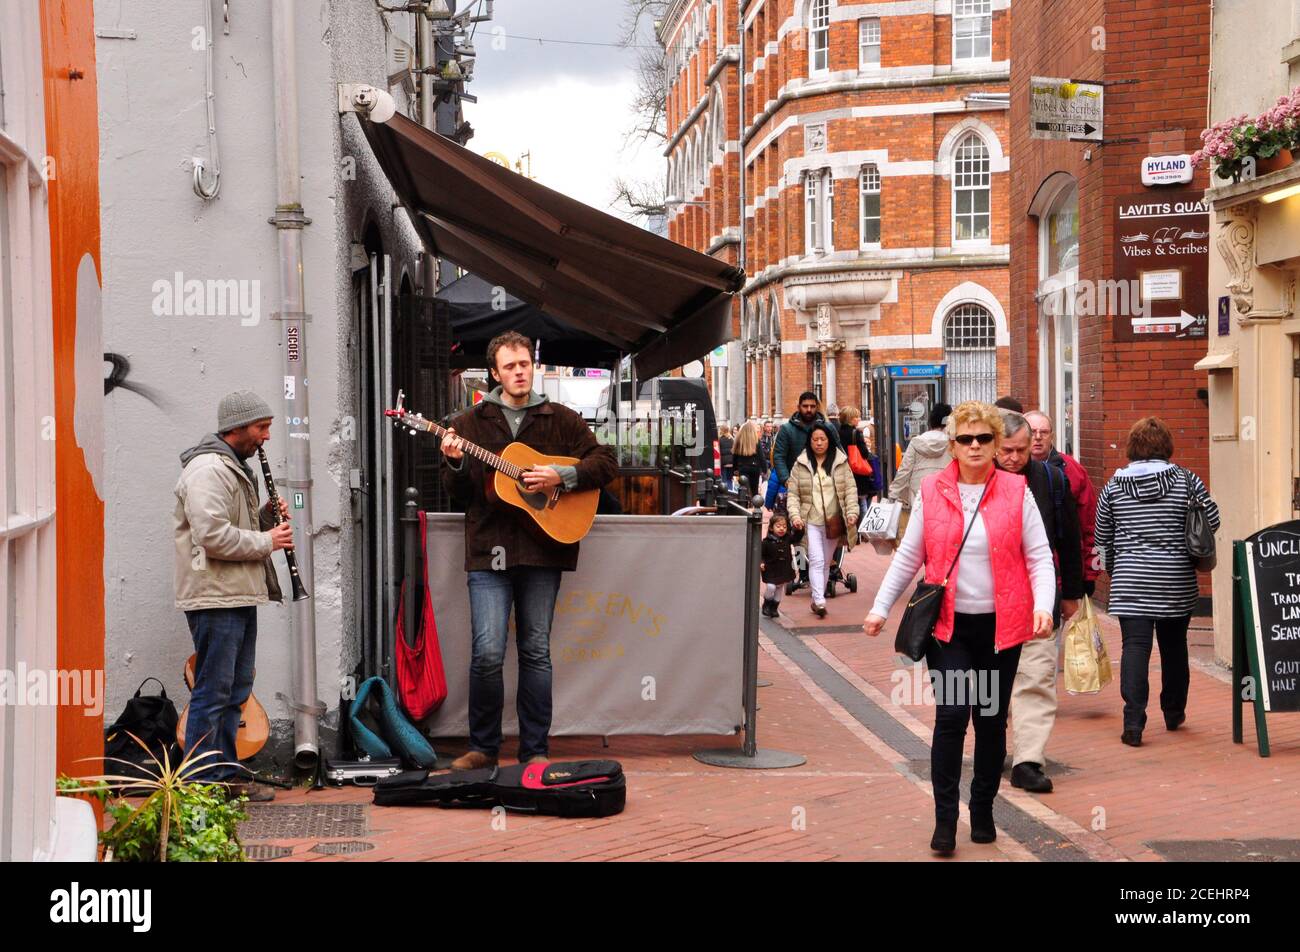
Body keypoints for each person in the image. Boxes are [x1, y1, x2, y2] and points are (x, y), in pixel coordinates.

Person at [863, 402, 1055, 854]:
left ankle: (983, 806)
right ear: (951, 445)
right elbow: (910, 556)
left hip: (1000, 628)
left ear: (994, 445)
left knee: (990, 722)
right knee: (951, 718)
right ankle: (945, 819)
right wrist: (879, 607)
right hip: (948, 629)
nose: (973, 446)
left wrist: (1043, 606)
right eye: (965, 439)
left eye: (983, 439)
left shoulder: (1015, 491)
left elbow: (1039, 556)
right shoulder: (933, 489)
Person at [440, 331, 618, 769]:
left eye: (524, 364)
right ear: (495, 373)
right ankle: (483, 748)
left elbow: (607, 462)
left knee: (536, 650)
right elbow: (458, 495)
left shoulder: (560, 418)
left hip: (543, 550)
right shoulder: (468, 423)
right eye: (510, 366)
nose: (519, 372)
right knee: (486, 651)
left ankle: (535, 751)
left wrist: (562, 477)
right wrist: (455, 461)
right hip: (488, 550)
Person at [174, 390, 294, 802]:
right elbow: (210, 536)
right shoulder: (209, 469)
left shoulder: (232, 466)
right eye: (261, 428)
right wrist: (268, 539)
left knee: (236, 687)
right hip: (215, 595)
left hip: (236, 593)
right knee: (214, 689)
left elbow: (233, 526)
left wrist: (264, 519)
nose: (265, 437)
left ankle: (223, 774)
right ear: (238, 427)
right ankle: (201, 784)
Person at [1093, 417, 1220, 747]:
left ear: (1132, 447)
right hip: (1175, 577)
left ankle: (1133, 721)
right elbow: (1212, 519)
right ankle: (1173, 710)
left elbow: (1101, 537)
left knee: (1135, 647)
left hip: (1130, 580)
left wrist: (1111, 569)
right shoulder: (1186, 481)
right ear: (1167, 446)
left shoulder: (1113, 487)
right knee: (1174, 646)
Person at [996, 412, 1084, 794]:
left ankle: (1028, 760)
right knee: (992, 681)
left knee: (1036, 677)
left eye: (1020, 450)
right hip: (988, 600)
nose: (1014, 458)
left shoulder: (1051, 480)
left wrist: (1071, 595)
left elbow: (1068, 539)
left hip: (1038, 597)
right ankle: (992, 745)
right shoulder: (976, 480)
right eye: (1007, 451)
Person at [785, 421, 859, 618]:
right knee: (816, 560)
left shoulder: (840, 463)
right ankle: (819, 600)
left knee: (826, 562)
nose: (819, 443)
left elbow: (850, 491)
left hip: (833, 521)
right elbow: (793, 494)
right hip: (810, 520)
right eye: (815, 439)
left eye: (822, 439)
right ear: (809, 442)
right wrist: (795, 516)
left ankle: (817, 598)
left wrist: (852, 512)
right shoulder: (801, 464)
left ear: (829, 441)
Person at [1026, 411, 1099, 596]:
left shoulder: (1073, 471)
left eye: (1044, 432)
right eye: (1032, 431)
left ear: (1052, 435)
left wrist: (1091, 573)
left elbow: (1092, 525)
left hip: (1060, 575)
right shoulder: (1007, 468)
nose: (1037, 437)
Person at [767, 392, 843, 510]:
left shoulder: (828, 428)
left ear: (817, 407)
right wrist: (786, 479)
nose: (809, 410)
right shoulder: (787, 429)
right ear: (799, 407)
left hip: (823, 485)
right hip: (796, 486)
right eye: (805, 406)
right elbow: (779, 456)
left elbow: (839, 453)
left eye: (812, 406)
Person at [887, 402, 953, 509]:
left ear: (931, 421)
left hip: (919, 499)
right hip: (945, 498)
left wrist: (893, 495)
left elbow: (904, 470)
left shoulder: (916, 442)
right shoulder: (953, 444)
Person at [838, 406, 882, 517]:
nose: (859, 419)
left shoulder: (837, 432)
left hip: (843, 469)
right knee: (862, 502)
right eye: (856, 417)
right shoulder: (856, 433)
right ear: (850, 418)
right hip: (858, 472)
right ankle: (862, 529)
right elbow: (865, 454)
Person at [760, 513, 795, 617]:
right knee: (771, 587)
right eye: (778, 526)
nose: (781, 529)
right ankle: (766, 604)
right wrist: (761, 562)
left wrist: (799, 528)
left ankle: (774, 608)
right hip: (770, 569)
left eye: (784, 527)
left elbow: (797, 537)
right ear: (771, 528)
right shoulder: (766, 542)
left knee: (779, 589)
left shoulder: (788, 538)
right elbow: (761, 554)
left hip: (784, 569)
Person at [733, 421, 766, 503]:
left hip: (742, 467)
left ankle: (744, 504)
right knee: (754, 489)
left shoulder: (738, 440)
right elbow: (761, 456)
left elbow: (735, 456)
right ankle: (755, 506)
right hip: (754, 467)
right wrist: (764, 469)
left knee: (744, 489)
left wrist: (735, 469)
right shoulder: (756, 441)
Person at [718, 424, 735, 491]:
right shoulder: (732, 439)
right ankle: (731, 492)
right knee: (730, 479)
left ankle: (725, 494)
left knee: (724, 479)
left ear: (721, 431)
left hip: (723, 463)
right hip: (731, 463)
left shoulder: (720, 439)